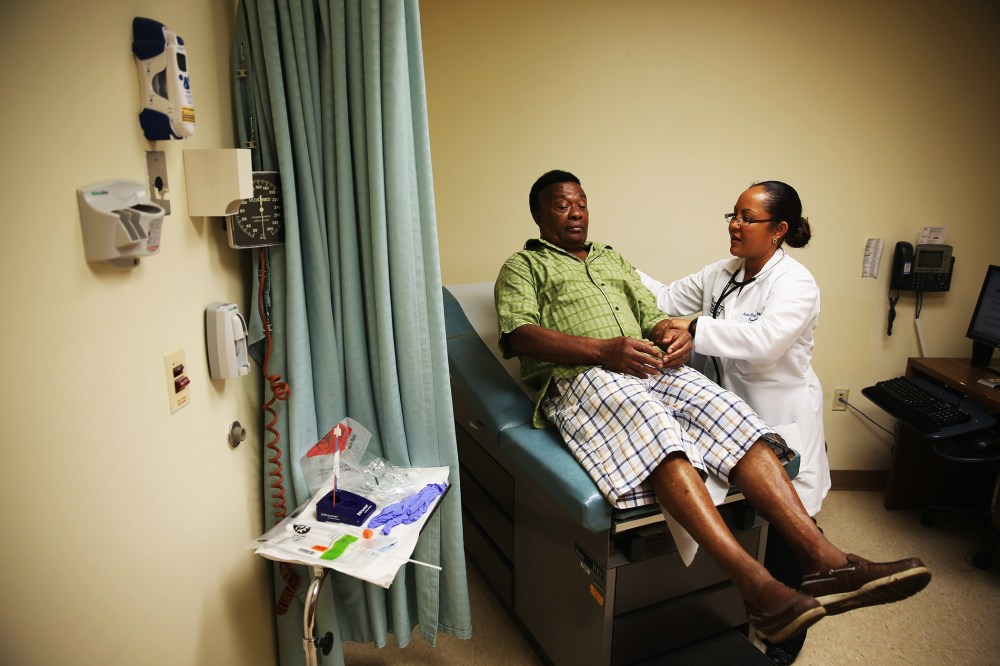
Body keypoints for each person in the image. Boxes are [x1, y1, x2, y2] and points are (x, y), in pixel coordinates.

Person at [495, 169, 930, 645]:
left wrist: (673, 336)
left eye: (581, 203)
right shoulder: (524, 266)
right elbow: (518, 335)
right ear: (538, 214)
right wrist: (606, 349)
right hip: (588, 375)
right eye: (562, 205)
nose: (576, 213)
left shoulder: (613, 259)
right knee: (659, 431)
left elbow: (657, 314)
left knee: (734, 417)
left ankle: (827, 561)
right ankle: (756, 586)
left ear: (779, 229)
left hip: (660, 369)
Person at [637, 181, 827, 662]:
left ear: (779, 230)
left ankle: (786, 643)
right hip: (731, 414)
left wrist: (694, 326)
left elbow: (764, 342)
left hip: (780, 415)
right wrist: (615, 267)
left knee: (788, 529)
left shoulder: (796, 284)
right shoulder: (722, 272)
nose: (735, 226)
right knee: (750, 521)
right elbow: (665, 297)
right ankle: (753, 605)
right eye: (733, 215)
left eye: (748, 218)